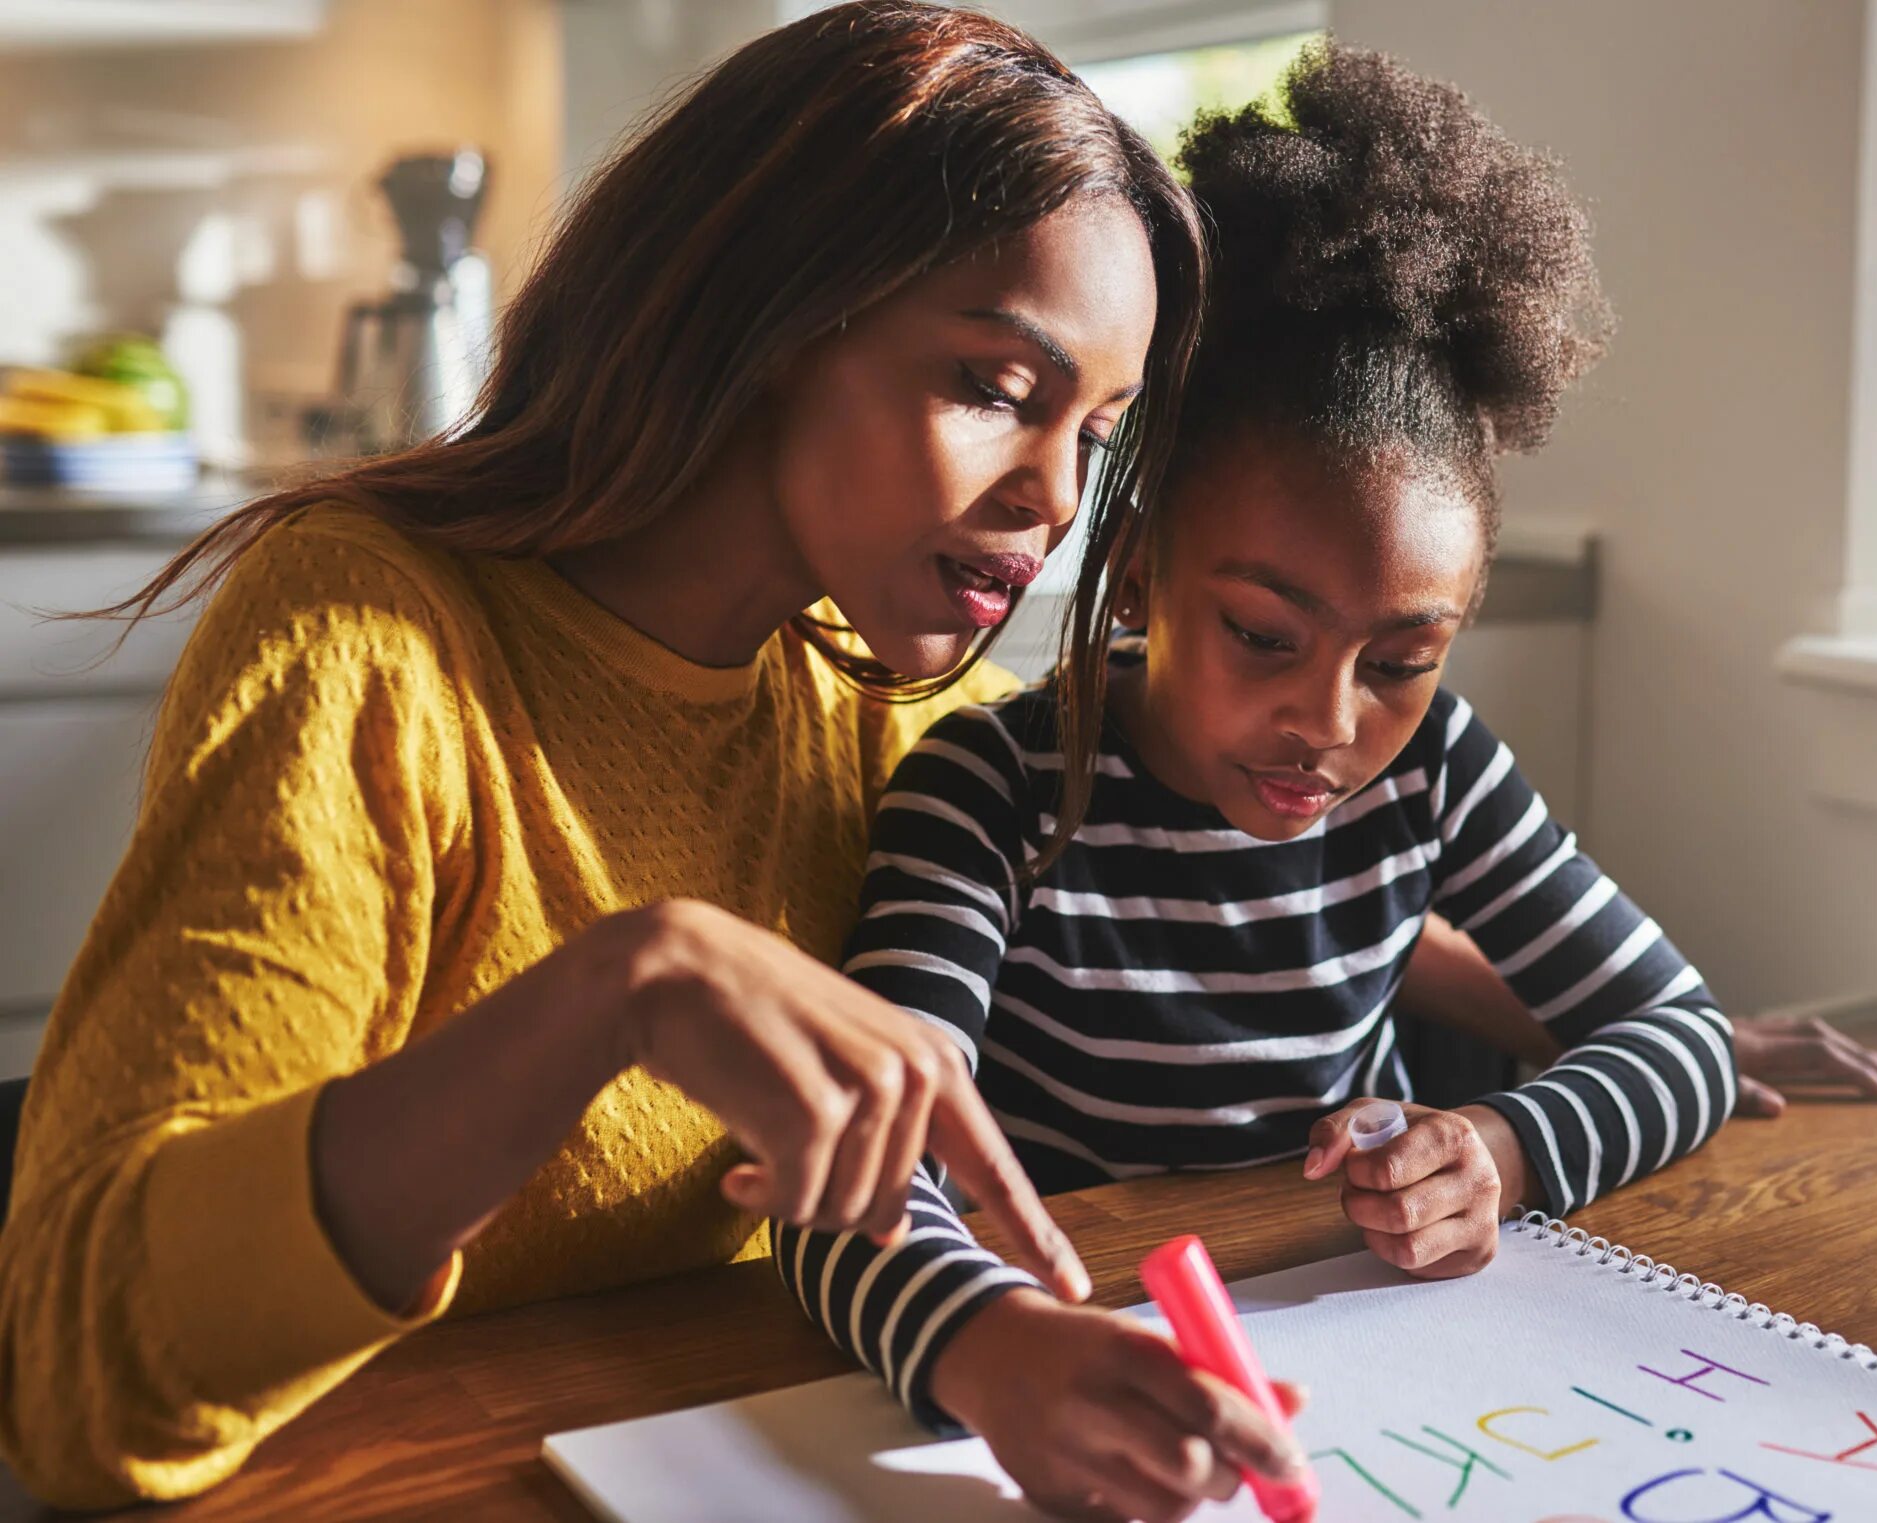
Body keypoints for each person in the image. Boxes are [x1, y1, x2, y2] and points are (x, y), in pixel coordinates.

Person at [0, 3, 1222, 1506]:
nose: (1053, 496)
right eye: (995, 389)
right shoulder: (372, 632)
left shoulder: (880, 720)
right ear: (774, 320)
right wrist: (611, 994)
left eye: (1096, 436)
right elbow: (75, 1382)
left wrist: (1484, 1085)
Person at [771, 43, 1865, 1523]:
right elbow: (859, 1173)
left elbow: (1677, 1034)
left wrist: (1498, 1147)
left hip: (1372, 1375)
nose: (1328, 725)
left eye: (1403, 657)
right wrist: (989, 1341)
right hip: (1081, 1366)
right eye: (1263, 636)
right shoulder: (994, 793)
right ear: (1143, 559)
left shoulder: (1435, 777)